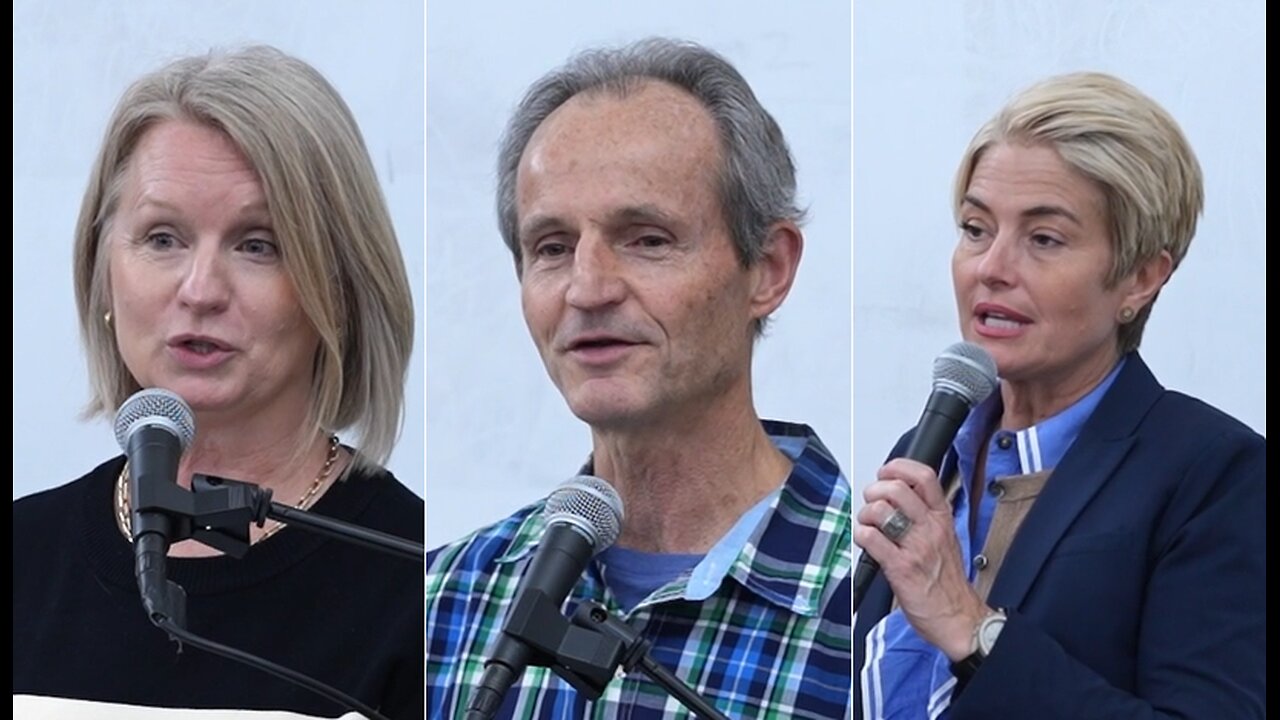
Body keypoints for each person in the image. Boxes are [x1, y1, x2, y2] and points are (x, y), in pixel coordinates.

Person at [425, 38, 852, 719]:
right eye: (552, 248)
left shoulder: (885, 601)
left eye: (647, 239)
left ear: (768, 269)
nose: (587, 289)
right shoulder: (442, 601)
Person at [12, 46, 424, 718]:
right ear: (103, 272)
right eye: (163, 238)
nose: (200, 290)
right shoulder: (24, 556)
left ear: (340, 287)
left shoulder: (421, 585)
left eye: (258, 244)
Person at [853, 72, 1265, 719]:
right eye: (975, 228)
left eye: (1043, 239)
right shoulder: (929, 452)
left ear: (1141, 277)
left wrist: (972, 628)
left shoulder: (1213, 474)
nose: (992, 266)